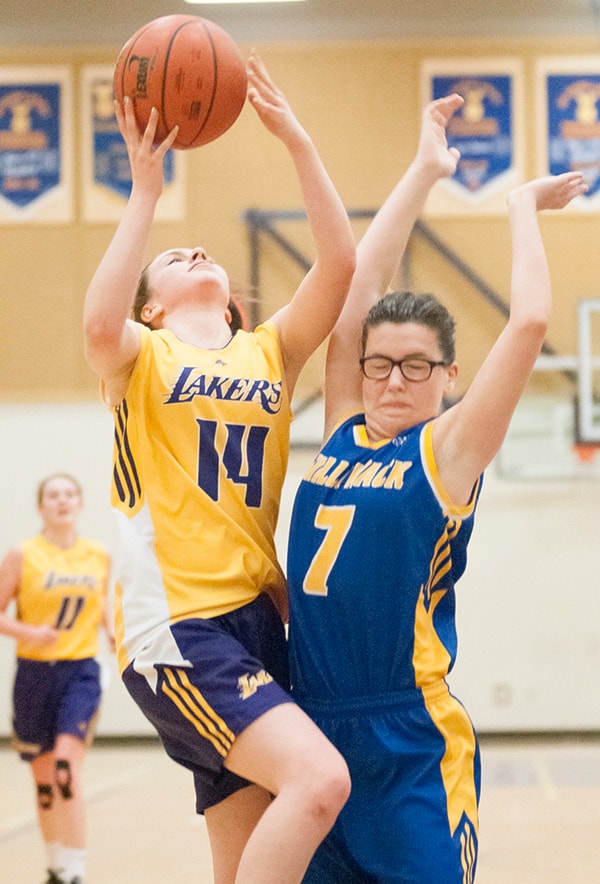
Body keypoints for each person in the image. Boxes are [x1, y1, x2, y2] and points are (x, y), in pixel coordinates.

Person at [285, 92, 588, 883]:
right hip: (309, 733)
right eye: (378, 363)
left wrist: (522, 206)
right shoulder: (343, 430)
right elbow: (360, 283)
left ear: (449, 376)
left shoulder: (447, 450)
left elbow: (527, 322)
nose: (391, 380)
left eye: (416, 365)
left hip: (407, 738)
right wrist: (423, 171)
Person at [83, 53, 355, 884]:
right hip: (179, 628)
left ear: (233, 300)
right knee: (319, 781)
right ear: (153, 306)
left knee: (240, 861)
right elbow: (99, 323)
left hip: (252, 620)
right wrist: (146, 195)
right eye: (171, 258)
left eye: (199, 252)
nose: (192, 250)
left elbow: (340, 266)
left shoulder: (270, 351)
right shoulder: (142, 354)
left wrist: (298, 141)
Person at [0, 473, 115, 884]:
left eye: (69, 494)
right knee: (45, 781)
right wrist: (31, 632)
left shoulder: (97, 554)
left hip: (80, 670)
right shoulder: (23, 554)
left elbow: (102, 602)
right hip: (34, 675)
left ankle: (76, 871)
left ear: (80, 504)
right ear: (40, 507)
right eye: (53, 495)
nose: (62, 501)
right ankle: (55, 865)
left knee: (66, 769)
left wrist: (114, 632)